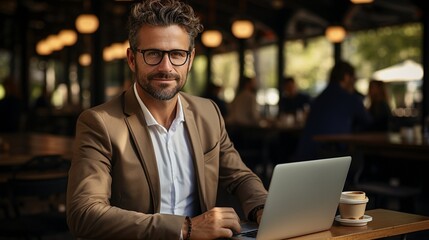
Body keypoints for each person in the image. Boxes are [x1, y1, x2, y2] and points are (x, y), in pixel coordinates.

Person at [66, 1, 268, 239]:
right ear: (132, 59)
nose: (166, 67)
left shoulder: (208, 113)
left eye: (177, 54)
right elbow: (84, 213)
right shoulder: (100, 123)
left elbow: (240, 177)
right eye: (153, 54)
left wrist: (263, 209)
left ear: (190, 59)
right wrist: (185, 228)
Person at [293, 60, 373, 161]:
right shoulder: (350, 99)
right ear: (347, 77)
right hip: (332, 156)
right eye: (354, 78)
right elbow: (368, 122)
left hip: (305, 155)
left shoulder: (319, 98)